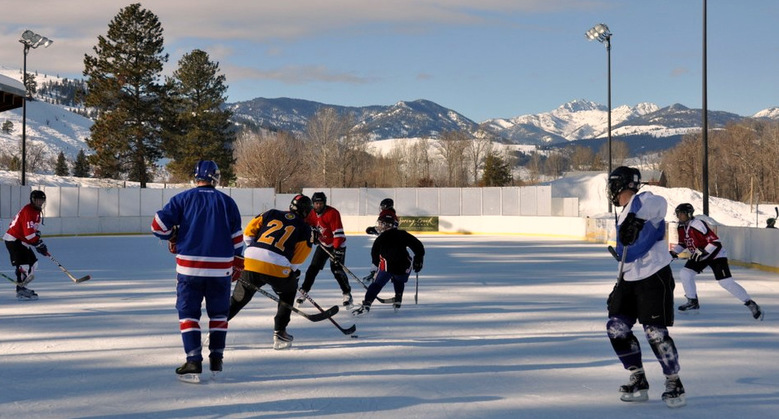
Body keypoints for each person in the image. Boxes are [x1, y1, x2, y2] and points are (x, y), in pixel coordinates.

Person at [151, 160, 243, 383]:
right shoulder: (228, 202)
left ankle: (193, 361)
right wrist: (239, 263)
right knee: (219, 313)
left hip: (189, 268)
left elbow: (157, 226)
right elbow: (237, 238)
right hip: (221, 270)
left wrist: (172, 235)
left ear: (196, 177)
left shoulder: (182, 199)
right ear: (216, 177)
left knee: (188, 313)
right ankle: (217, 358)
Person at [605, 166, 685, 408]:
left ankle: (674, 382)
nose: (609, 189)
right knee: (616, 327)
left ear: (621, 184)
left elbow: (660, 203)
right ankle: (638, 378)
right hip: (629, 279)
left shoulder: (643, 200)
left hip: (654, 277)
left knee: (654, 331)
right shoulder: (623, 212)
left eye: (612, 184)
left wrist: (636, 221)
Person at [228, 194, 315, 350]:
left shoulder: (272, 213)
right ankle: (280, 332)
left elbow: (248, 232)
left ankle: (216, 328)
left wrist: (254, 250)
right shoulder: (304, 227)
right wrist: (292, 272)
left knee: (238, 298)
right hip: (277, 265)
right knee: (288, 292)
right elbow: (299, 258)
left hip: (251, 260)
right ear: (306, 211)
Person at [671, 203, 763, 320]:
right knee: (685, 273)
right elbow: (683, 243)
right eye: (678, 214)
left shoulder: (698, 224)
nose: (679, 217)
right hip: (700, 255)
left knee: (726, 282)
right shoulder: (681, 227)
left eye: (682, 214)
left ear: (689, 214)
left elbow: (715, 242)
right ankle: (692, 301)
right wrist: (673, 252)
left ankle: (750, 303)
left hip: (715, 254)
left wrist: (703, 252)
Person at [352, 212, 424, 316]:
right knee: (398, 280)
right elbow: (418, 246)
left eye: (382, 224)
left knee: (377, 284)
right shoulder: (402, 234)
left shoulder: (381, 238)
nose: (380, 226)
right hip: (404, 266)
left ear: (388, 225)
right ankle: (398, 298)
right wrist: (419, 259)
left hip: (387, 267)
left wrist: (374, 267)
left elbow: (375, 253)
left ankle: (367, 304)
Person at [298, 192, 353, 307]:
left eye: (321, 203)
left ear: (325, 203)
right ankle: (304, 291)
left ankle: (347, 293)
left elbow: (338, 234)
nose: (318, 205)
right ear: (313, 204)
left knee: (337, 270)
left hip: (337, 244)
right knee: (313, 268)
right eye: (316, 203)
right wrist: (312, 234)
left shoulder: (332, 213)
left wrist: (337, 251)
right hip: (323, 244)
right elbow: (306, 225)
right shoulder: (311, 213)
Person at [4, 190, 50, 300]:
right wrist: (38, 243)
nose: (40, 203)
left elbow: (31, 231)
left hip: (22, 241)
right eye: (37, 200)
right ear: (32, 200)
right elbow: (29, 235)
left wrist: (37, 238)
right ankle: (20, 290)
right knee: (23, 265)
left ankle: (22, 286)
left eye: (41, 200)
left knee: (33, 264)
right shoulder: (29, 211)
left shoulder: (36, 211)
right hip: (14, 240)